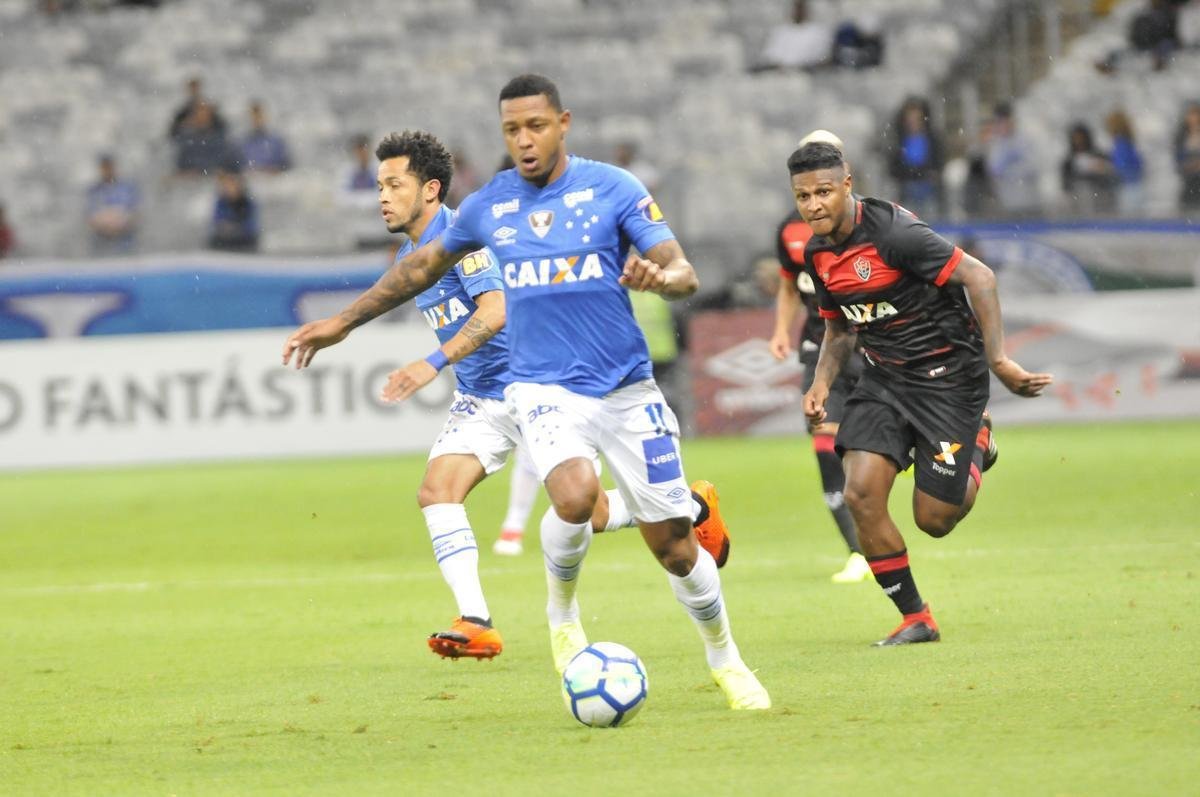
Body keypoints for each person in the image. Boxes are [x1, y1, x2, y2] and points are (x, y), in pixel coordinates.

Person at [283, 74, 768, 710]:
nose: (524, 139)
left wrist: (663, 278)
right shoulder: (490, 207)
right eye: (511, 129)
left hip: (623, 386)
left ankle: (723, 652)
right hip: (540, 388)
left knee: (672, 545)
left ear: (562, 123)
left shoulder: (612, 187)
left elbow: (681, 271)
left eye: (535, 126)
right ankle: (553, 618)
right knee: (565, 497)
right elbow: (420, 269)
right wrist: (342, 323)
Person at [788, 141, 1053, 646]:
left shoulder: (892, 232)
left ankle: (979, 440)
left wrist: (998, 361)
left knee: (934, 520)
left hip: (949, 379)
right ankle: (916, 617)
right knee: (860, 494)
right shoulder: (818, 252)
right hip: (885, 378)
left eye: (823, 191)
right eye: (803, 196)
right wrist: (821, 383)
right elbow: (840, 330)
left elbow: (981, 276)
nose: (814, 204)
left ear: (847, 185)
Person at [769, 130, 870, 585]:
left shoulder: (873, 223)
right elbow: (789, 284)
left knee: (875, 444)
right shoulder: (790, 231)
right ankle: (857, 551)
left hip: (868, 344)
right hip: (819, 346)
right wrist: (779, 331)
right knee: (825, 445)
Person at [887, 97, 943, 220]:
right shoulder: (899, 140)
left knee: (930, 221)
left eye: (917, 119)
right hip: (907, 188)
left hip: (927, 188)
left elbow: (937, 162)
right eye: (910, 120)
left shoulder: (932, 139)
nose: (913, 123)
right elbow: (894, 167)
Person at [984, 103, 1040, 218]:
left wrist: (1013, 170)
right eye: (999, 122)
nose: (1002, 125)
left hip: (1029, 202)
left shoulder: (1025, 138)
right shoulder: (995, 144)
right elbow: (994, 170)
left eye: (1005, 121)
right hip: (1006, 204)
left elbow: (1034, 167)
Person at [85, 154, 140, 255]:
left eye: (109, 167)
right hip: (101, 234)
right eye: (104, 167)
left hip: (125, 233)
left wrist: (120, 222)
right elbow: (89, 216)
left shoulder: (127, 188)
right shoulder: (94, 190)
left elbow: (136, 213)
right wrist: (105, 225)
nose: (107, 170)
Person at [1060, 122, 1116, 216]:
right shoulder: (1069, 161)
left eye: (1081, 138)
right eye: (1076, 138)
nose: (1079, 141)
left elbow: (1109, 173)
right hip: (1078, 198)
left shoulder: (1098, 156)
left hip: (1099, 197)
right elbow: (1066, 182)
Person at [1105, 110, 1145, 217]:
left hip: (1128, 186)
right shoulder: (1128, 142)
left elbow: (1122, 166)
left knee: (1129, 215)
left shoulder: (1121, 142)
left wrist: (1106, 167)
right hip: (1133, 184)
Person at [208, 170, 259, 252]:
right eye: (227, 186)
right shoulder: (221, 202)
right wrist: (225, 227)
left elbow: (251, 225)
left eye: (233, 185)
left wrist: (236, 228)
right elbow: (216, 220)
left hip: (243, 239)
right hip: (225, 238)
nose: (230, 189)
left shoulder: (248, 203)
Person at [240, 101, 293, 173]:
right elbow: (240, 165)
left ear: (265, 117)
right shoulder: (243, 142)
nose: (256, 120)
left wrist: (275, 169)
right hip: (252, 179)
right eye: (253, 117)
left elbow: (286, 164)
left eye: (259, 117)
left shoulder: (276, 141)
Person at [1174, 101, 1200, 210]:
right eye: (1191, 115)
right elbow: (1179, 160)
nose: (1194, 118)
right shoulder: (1181, 136)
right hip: (1189, 183)